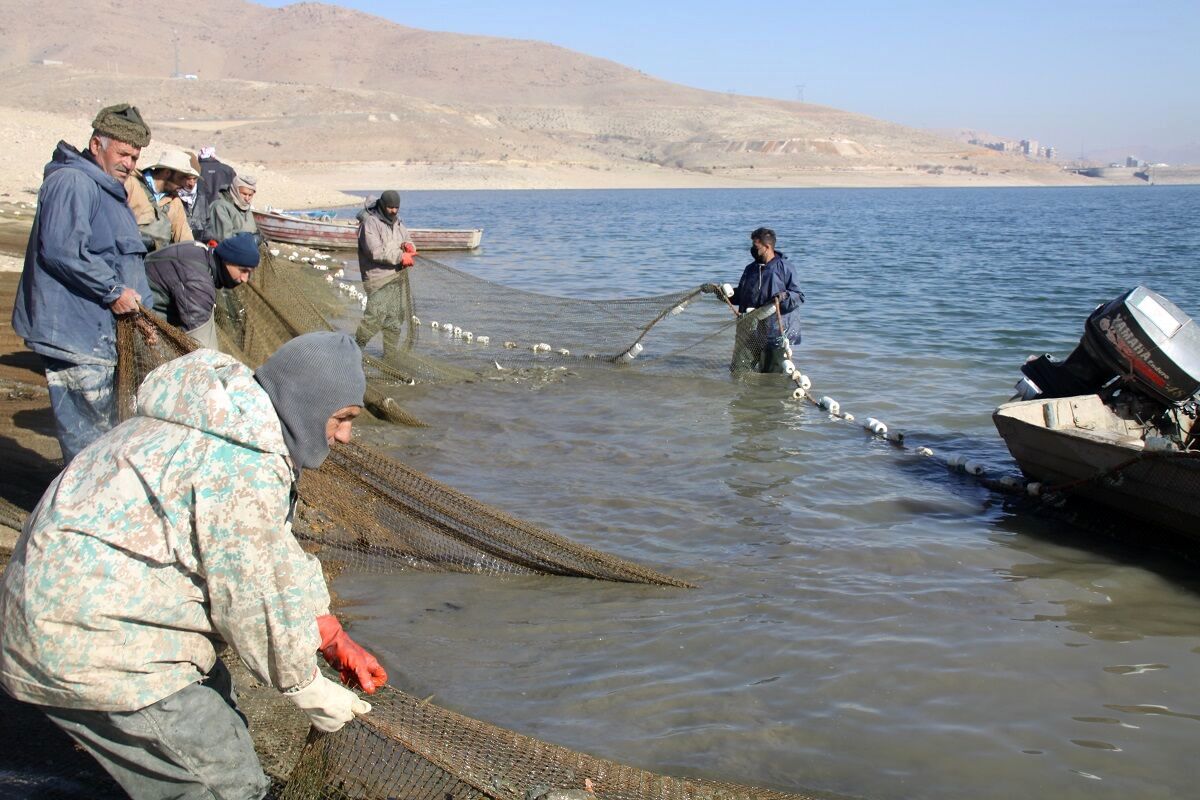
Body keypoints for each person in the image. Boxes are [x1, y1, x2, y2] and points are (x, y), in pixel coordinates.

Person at [0, 331, 388, 800]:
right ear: (305, 403)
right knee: (226, 786)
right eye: (342, 418)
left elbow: (270, 548)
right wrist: (308, 689)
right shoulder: (239, 464)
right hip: (86, 644)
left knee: (217, 702)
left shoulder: (215, 417)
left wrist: (328, 634)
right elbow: (249, 594)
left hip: (56, 612)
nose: (345, 435)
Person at [11, 103, 154, 463]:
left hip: (100, 337)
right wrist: (113, 290)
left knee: (106, 436)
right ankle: (83, 510)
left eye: (135, 157)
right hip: (77, 337)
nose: (130, 164)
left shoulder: (108, 189)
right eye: (123, 153)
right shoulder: (73, 182)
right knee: (90, 444)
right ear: (96, 145)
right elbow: (61, 250)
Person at [703, 227, 805, 373]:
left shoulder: (785, 268)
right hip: (750, 330)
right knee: (738, 370)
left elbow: (799, 296)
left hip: (776, 332)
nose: (752, 249)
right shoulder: (750, 269)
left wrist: (784, 296)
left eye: (755, 246)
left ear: (767, 247)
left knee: (771, 377)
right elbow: (739, 296)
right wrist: (719, 292)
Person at [145, 232, 260, 349]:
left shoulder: (202, 251)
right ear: (226, 260)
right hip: (141, 317)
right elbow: (199, 345)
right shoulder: (199, 283)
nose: (245, 279)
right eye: (242, 270)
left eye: (250, 272)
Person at [354, 190, 418, 358]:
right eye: (390, 208)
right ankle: (354, 352)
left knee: (395, 320)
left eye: (397, 208)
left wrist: (409, 246)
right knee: (373, 319)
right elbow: (375, 251)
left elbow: (406, 238)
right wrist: (400, 256)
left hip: (398, 278)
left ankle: (389, 357)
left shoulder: (398, 222)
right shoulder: (370, 223)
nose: (394, 211)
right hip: (378, 279)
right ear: (382, 205)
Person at [125, 149, 197, 251]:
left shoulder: (175, 202)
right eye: (181, 178)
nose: (185, 184)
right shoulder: (131, 184)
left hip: (155, 263)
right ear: (167, 173)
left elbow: (186, 242)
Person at [208, 172, 259, 242]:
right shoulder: (220, 207)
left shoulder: (245, 207)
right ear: (235, 190)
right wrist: (251, 241)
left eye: (250, 195)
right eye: (244, 194)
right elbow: (225, 239)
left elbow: (252, 229)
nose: (247, 198)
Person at [177, 149, 211, 241]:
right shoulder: (172, 198)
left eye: (195, 179)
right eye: (188, 178)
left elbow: (208, 224)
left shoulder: (201, 198)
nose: (192, 183)